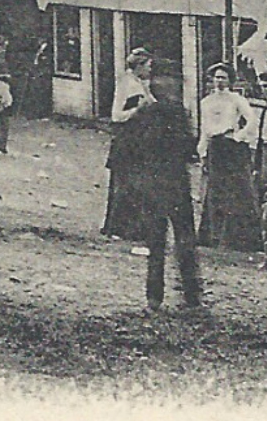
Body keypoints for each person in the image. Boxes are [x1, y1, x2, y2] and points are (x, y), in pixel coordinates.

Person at [133, 81, 202, 310]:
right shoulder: (180, 117)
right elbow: (190, 150)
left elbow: (135, 148)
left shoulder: (145, 116)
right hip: (177, 184)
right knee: (185, 239)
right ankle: (191, 293)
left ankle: (154, 296)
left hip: (152, 184)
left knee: (155, 243)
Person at [196, 64, 258, 251]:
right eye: (217, 77)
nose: (220, 81)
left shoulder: (236, 100)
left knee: (236, 191)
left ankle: (237, 239)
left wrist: (238, 136)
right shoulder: (205, 102)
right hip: (215, 147)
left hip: (231, 147)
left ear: (230, 80)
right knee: (215, 190)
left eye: (223, 77)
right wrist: (202, 151)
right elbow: (204, 128)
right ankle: (213, 236)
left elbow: (252, 120)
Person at [101, 49, 159, 241]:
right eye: (148, 66)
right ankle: (118, 227)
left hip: (140, 139)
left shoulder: (139, 83)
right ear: (139, 66)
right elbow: (117, 115)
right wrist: (137, 110)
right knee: (125, 183)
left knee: (138, 183)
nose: (150, 69)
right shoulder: (127, 84)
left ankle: (134, 227)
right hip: (127, 139)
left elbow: (152, 104)